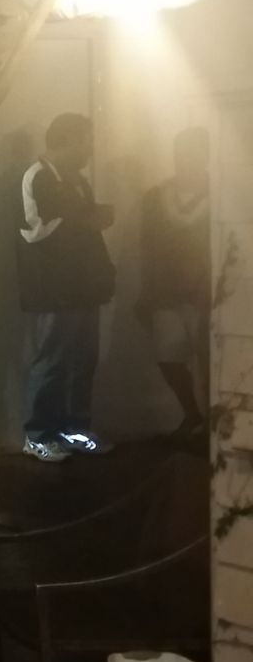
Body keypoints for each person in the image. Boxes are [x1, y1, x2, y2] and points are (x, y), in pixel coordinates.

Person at [16, 112, 116, 462]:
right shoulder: (36, 176)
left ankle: (74, 432)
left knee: (82, 361)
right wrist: (84, 221)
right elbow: (32, 231)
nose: (90, 148)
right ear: (67, 140)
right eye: (85, 140)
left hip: (84, 288)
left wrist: (94, 219)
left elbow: (81, 225)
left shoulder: (77, 180)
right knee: (52, 362)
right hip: (54, 291)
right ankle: (38, 437)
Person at [138, 127, 212, 445]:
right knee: (168, 357)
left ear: (205, 155)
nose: (185, 159)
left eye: (193, 152)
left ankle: (214, 426)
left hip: (207, 293)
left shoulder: (221, 194)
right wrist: (148, 292)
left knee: (211, 361)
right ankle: (193, 415)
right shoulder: (155, 198)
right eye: (180, 152)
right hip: (165, 292)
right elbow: (147, 247)